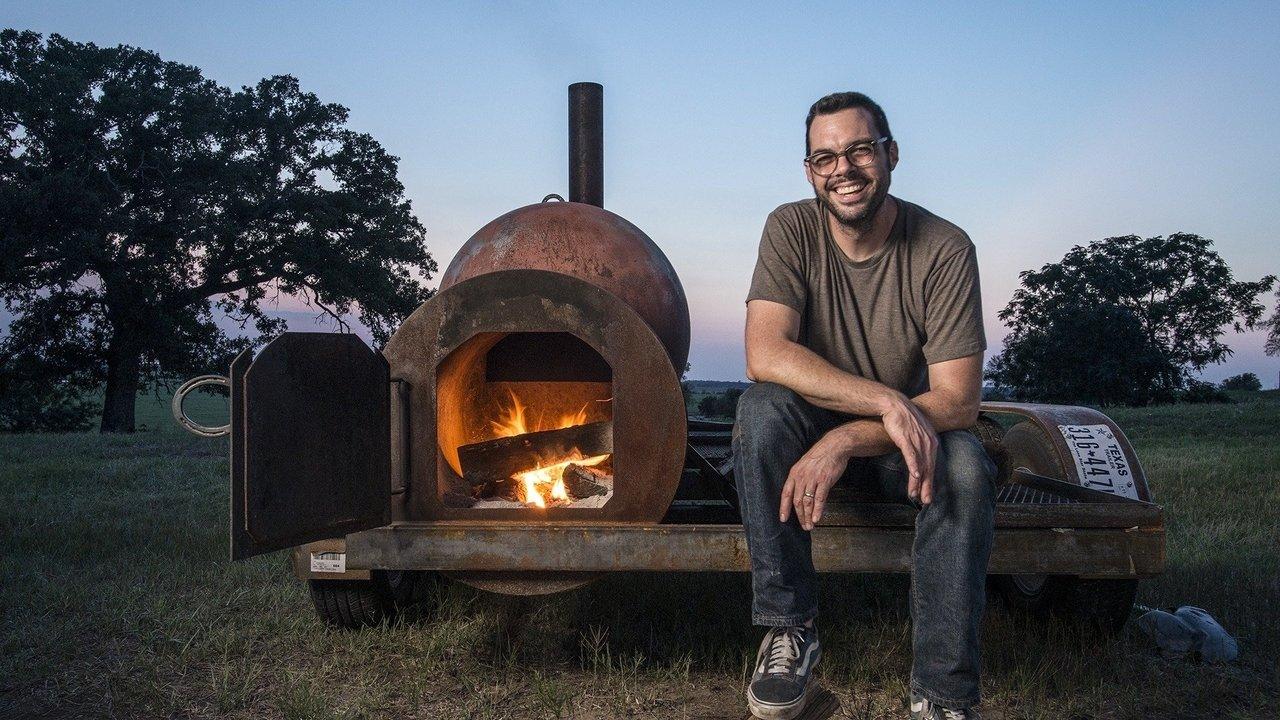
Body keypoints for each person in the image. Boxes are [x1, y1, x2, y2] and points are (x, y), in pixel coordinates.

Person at [733, 91, 996, 720]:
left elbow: (957, 400)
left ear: (891, 154)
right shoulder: (790, 228)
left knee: (964, 465)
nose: (843, 170)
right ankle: (789, 630)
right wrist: (882, 399)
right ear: (809, 171)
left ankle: (943, 696)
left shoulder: (944, 247)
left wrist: (848, 436)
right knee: (761, 411)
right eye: (825, 158)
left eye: (859, 150)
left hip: (900, 445)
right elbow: (764, 353)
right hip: (829, 427)